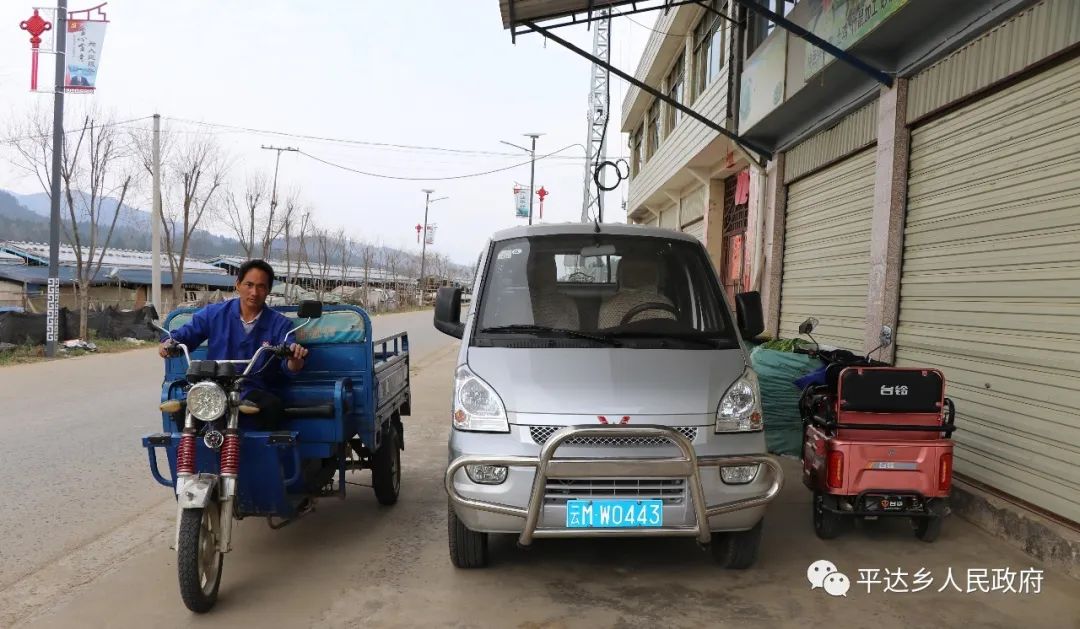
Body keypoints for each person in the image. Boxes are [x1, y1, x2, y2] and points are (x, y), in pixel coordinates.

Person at [160, 259, 308, 429]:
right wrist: (167, 343)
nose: (254, 292)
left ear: (268, 290)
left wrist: (294, 359)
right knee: (185, 410)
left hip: (254, 388)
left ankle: (265, 454)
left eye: (261, 286)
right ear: (238, 285)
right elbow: (185, 335)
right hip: (214, 387)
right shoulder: (213, 314)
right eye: (249, 285)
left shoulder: (281, 324)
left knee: (271, 406)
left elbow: (289, 362)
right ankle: (191, 454)